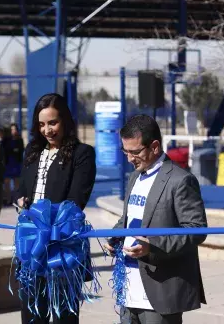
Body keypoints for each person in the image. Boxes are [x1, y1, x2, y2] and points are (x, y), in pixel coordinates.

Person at [104, 114, 207, 324]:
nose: (130, 159)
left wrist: (154, 247)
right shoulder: (134, 176)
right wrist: (115, 236)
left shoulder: (181, 180)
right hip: (128, 288)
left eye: (135, 152)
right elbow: (128, 218)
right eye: (126, 152)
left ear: (155, 146)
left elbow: (197, 230)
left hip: (160, 291)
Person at [17, 93, 96, 324]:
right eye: (41, 124)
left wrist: (40, 214)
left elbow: (75, 202)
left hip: (62, 245)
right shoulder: (32, 151)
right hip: (30, 245)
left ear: (66, 121)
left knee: (64, 316)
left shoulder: (82, 154)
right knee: (32, 313)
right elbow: (22, 190)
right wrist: (21, 201)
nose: (47, 130)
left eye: (53, 122)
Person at [2, 123, 24, 205]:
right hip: (8, 164)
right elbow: (4, 151)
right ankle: (8, 199)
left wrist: (15, 150)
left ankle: (17, 199)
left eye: (15, 129)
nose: (13, 131)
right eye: (12, 129)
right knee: (7, 183)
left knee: (17, 183)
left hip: (16, 163)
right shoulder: (6, 140)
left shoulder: (19, 140)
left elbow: (20, 151)